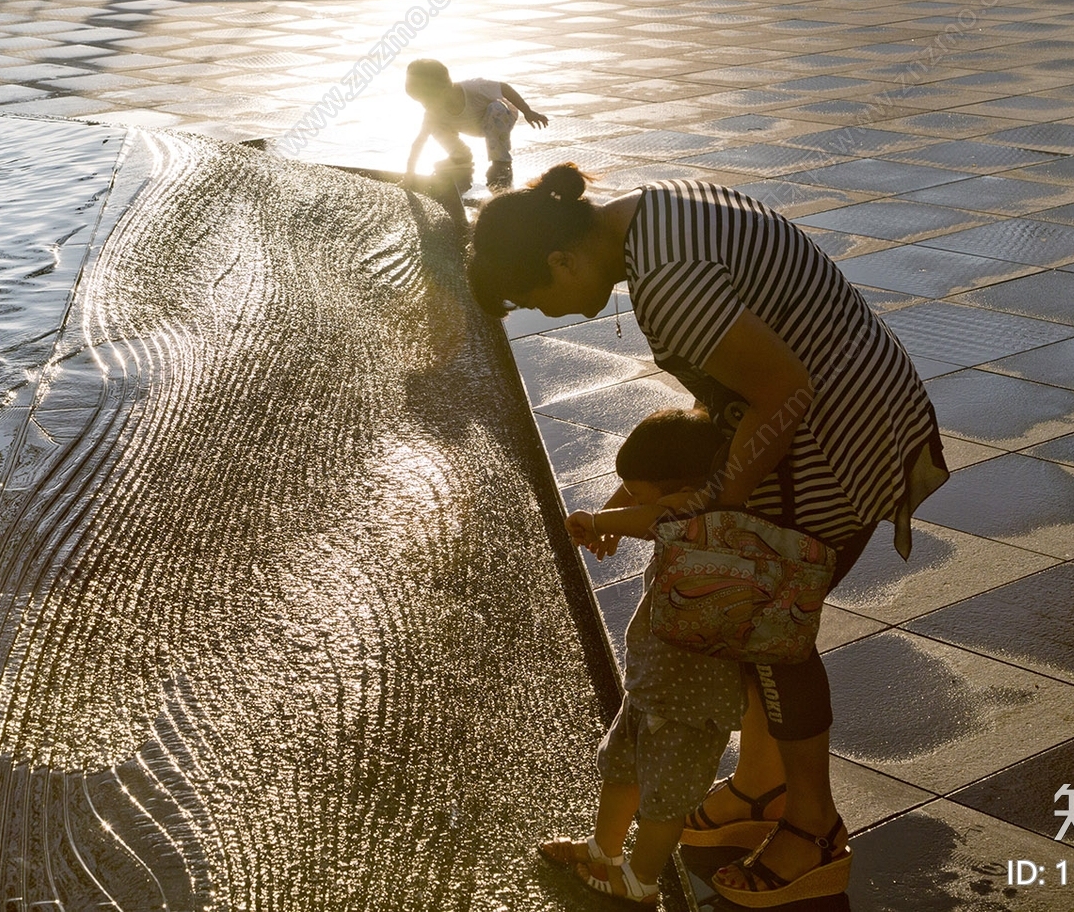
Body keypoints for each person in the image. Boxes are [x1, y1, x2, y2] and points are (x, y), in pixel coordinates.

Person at [469, 164, 948, 907]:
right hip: (868, 414)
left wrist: (710, 515)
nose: (555, 314)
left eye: (541, 297)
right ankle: (758, 792)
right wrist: (640, 496)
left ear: (563, 260)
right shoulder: (656, 211)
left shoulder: (671, 281)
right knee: (758, 628)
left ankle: (813, 830)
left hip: (835, 447)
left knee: (769, 626)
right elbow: (726, 394)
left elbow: (783, 394)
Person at [540, 408, 743, 907]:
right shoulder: (687, 505)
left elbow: (657, 517)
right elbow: (651, 507)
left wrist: (599, 518)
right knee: (623, 767)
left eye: (639, 489)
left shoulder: (703, 515)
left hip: (691, 699)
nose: (633, 497)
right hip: (655, 682)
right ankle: (603, 851)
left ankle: (640, 882)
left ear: (679, 489)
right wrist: (618, 505)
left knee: (665, 798)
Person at [402, 59, 548, 193]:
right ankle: (460, 156)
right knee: (434, 126)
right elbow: (419, 143)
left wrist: (527, 112)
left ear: (445, 89)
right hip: (472, 126)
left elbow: (504, 88)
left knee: (496, 108)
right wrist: (409, 174)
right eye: (421, 103)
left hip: (499, 118)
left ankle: (501, 163)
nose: (426, 106)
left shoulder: (475, 88)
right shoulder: (432, 113)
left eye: (427, 101)